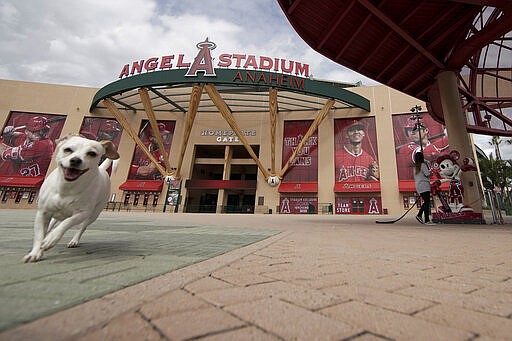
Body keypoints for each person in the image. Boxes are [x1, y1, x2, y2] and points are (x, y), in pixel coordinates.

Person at [414, 152, 434, 225]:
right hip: (425, 185)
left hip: (419, 186)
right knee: (427, 202)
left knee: (426, 201)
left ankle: (426, 219)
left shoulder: (416, 167)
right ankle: (420, 215)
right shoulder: (423, 165)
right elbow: (427, 174)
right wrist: (431, 172)